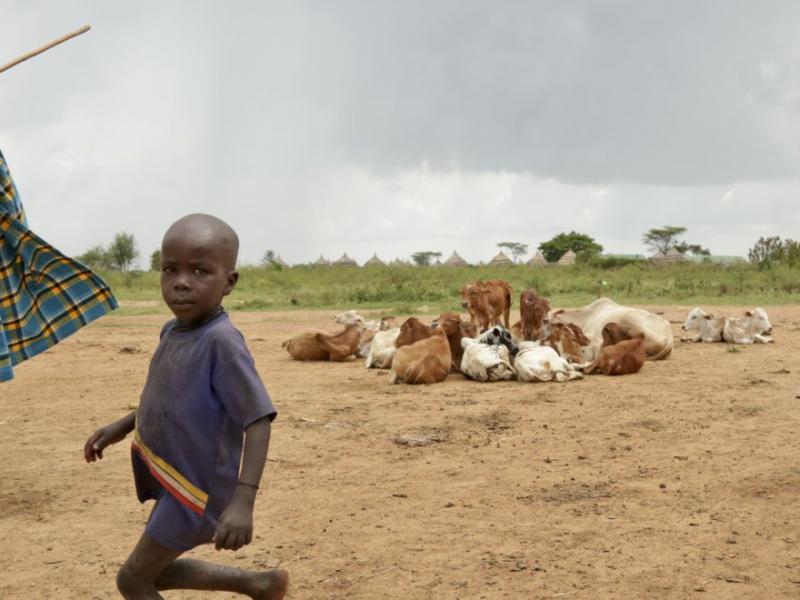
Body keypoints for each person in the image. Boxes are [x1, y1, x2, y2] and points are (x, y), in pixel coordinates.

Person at [84, 214, 288, 599]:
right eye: (169, 269)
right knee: (154, 572)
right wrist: (124, 425)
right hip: (176, 473)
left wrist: (243, 501)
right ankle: (259, 584)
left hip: (197, 487)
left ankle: (257, 583)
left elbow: (259, 418)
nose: (180, 282)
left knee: (133, 579)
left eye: (199, 271)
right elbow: (169, 394)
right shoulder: (172, 329)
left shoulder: (221, 342)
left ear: (228, 282)